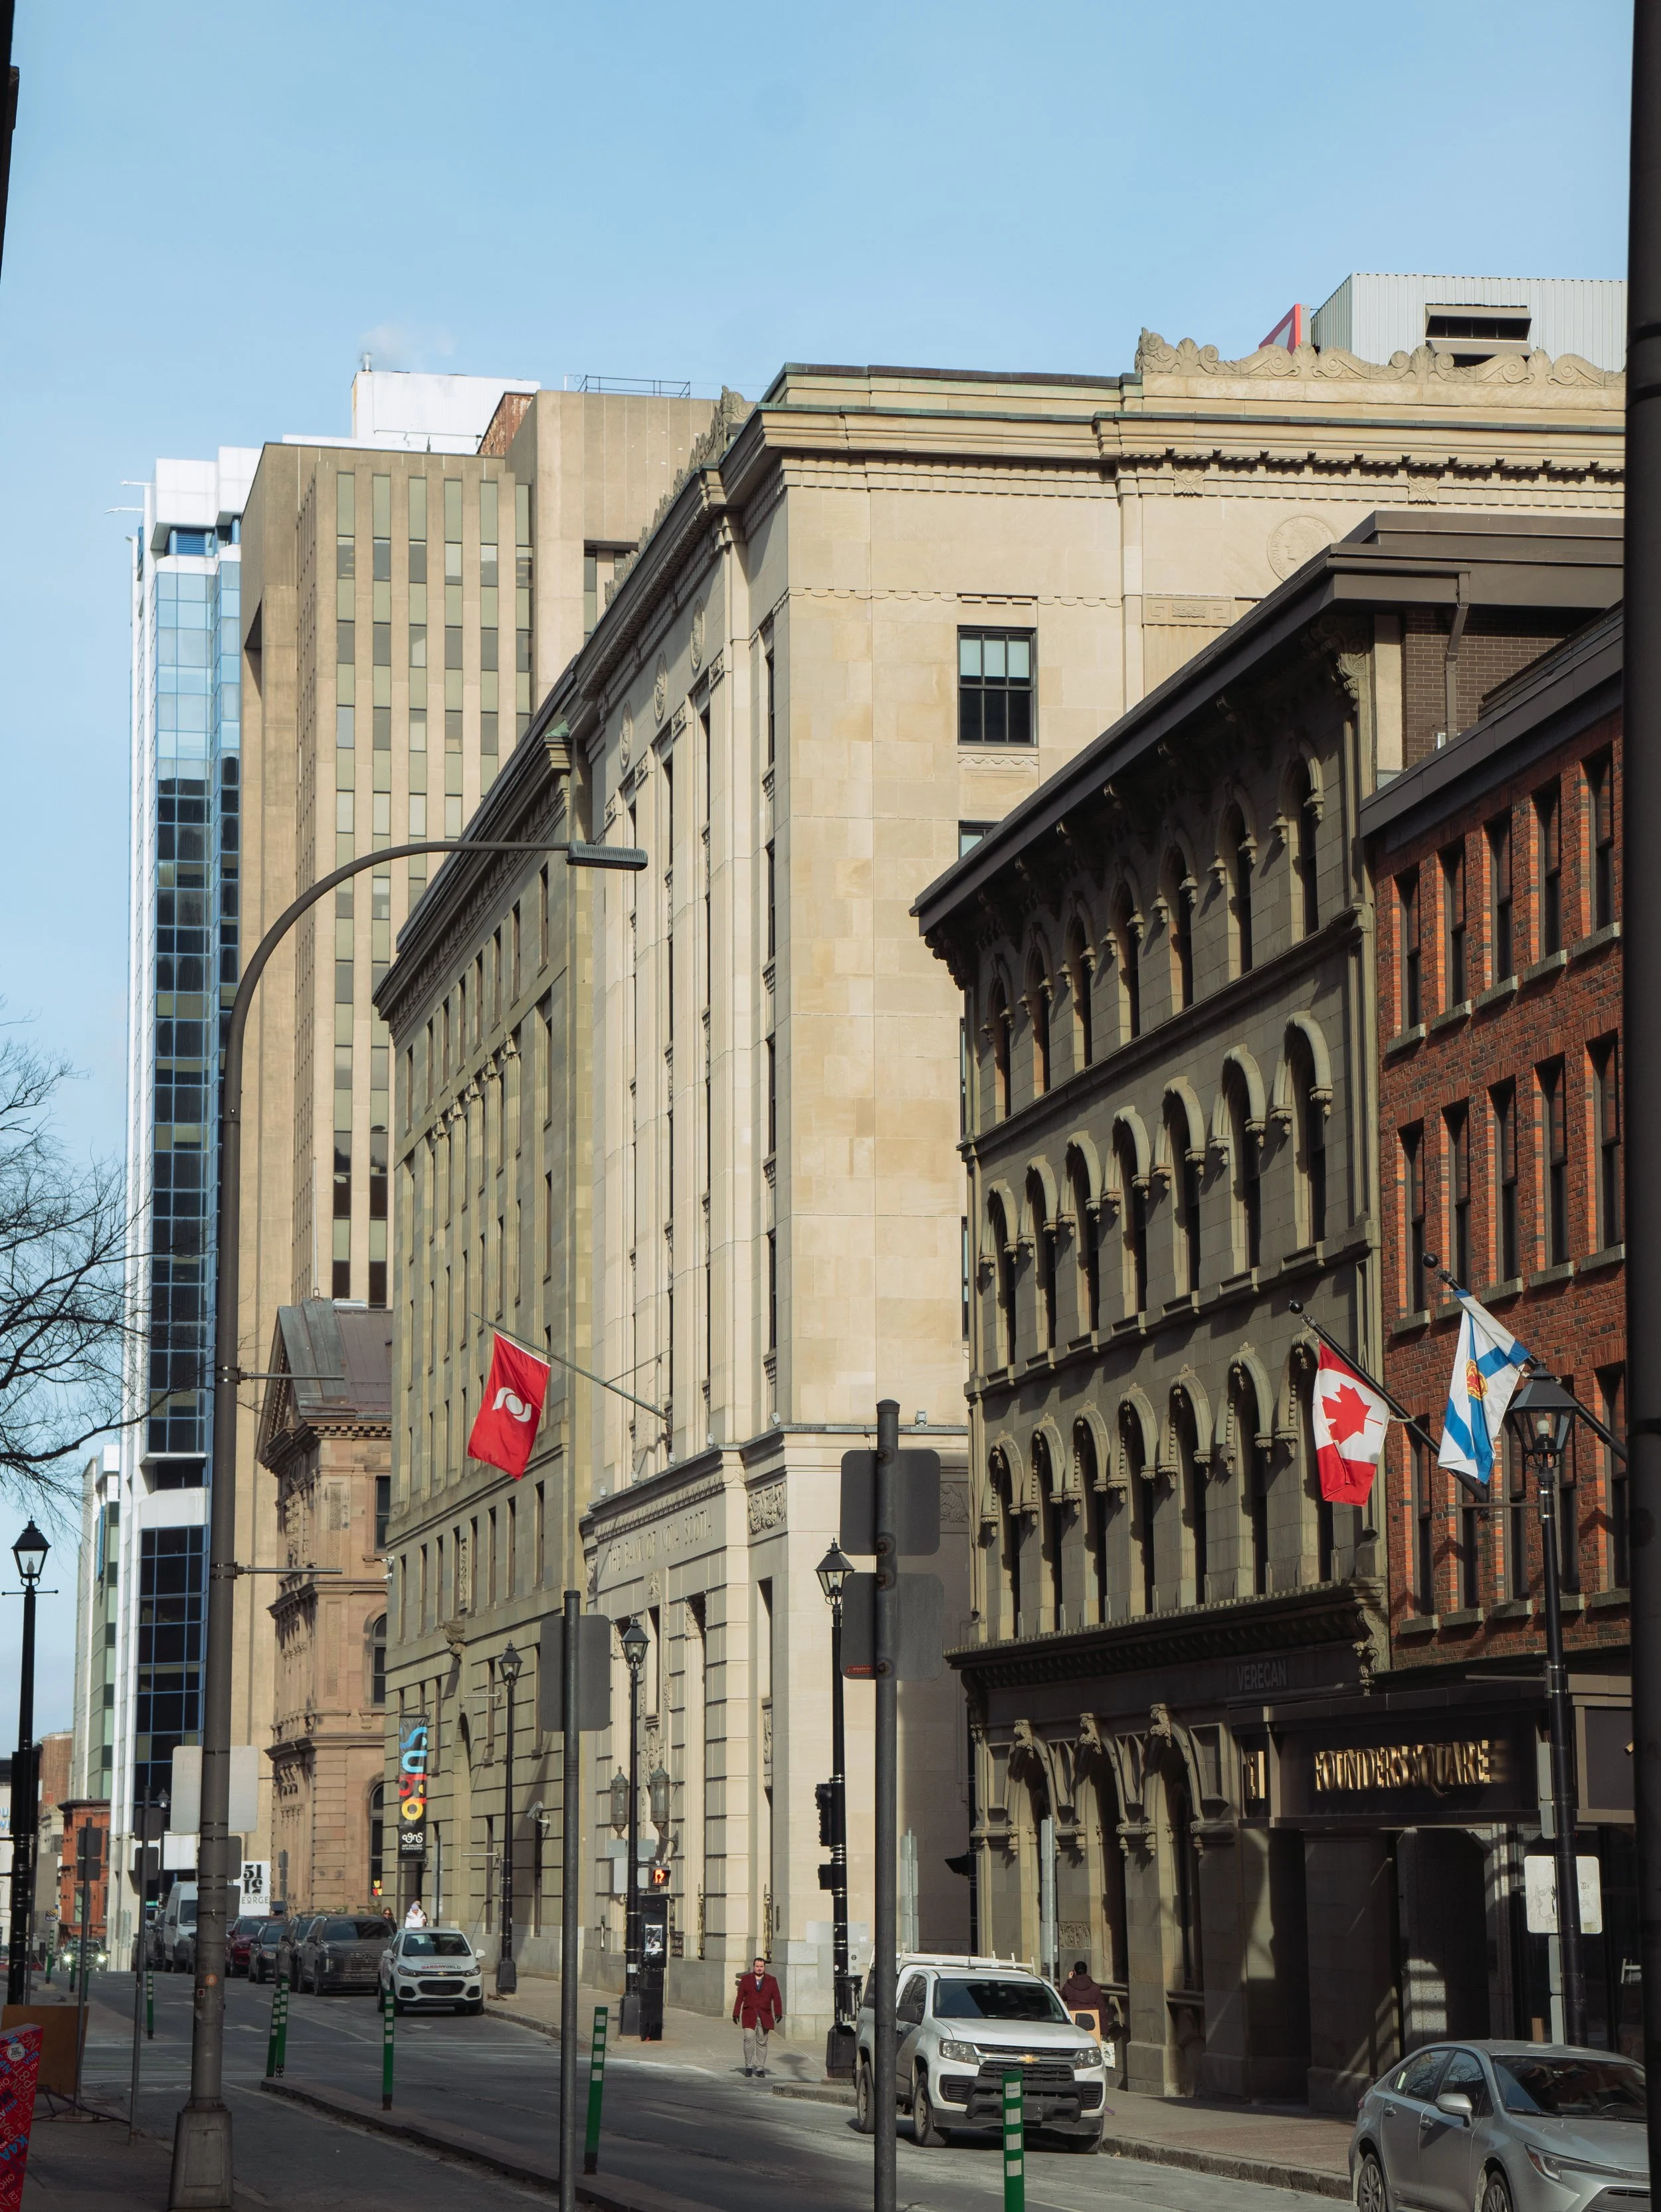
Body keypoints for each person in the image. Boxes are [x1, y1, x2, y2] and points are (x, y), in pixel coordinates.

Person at [732, 1954, 783, 2076]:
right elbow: (740, 1997)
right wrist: (735, 2013)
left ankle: (760, 2068)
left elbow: (777, 1997)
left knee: (762, 2042)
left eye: (761, 1966)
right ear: (754, 1967)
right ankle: (749, 2066)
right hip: (749, 2014)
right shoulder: (746, 1979)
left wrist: (778, 2012)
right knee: (749, 2039)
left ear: (764, 1967)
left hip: (764, 2015)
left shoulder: (772, 1980)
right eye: (757, 1966)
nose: (759, 1969)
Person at [1060, 1959, 1106, 2027]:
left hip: (1074, 2019)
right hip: (1091, 2021)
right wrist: (1103, 2029)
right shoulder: (1095, 1987)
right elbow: (1101, 2008)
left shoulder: (1069, 1986)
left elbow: (1063, 1996)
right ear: (1086, 1972)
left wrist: (1070, 1980)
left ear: (1074, 1972)